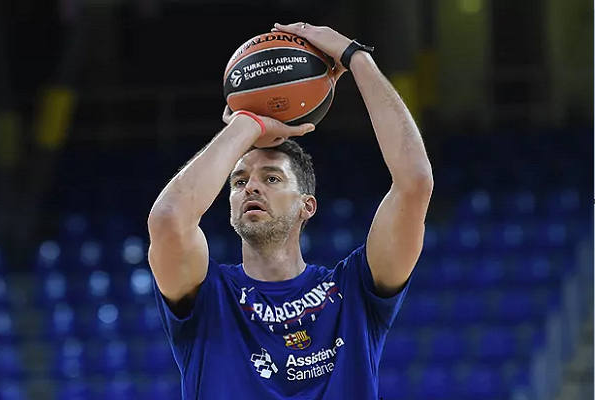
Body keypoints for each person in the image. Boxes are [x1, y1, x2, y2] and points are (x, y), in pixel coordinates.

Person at [147, 22, 433, 400]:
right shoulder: (208, 294)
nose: (251, 186)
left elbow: (415, 182)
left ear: (306, 205)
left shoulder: (353, 291)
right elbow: (168, 219)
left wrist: (356, 57)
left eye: (272, 178)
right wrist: (246, 127)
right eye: (239, 182)